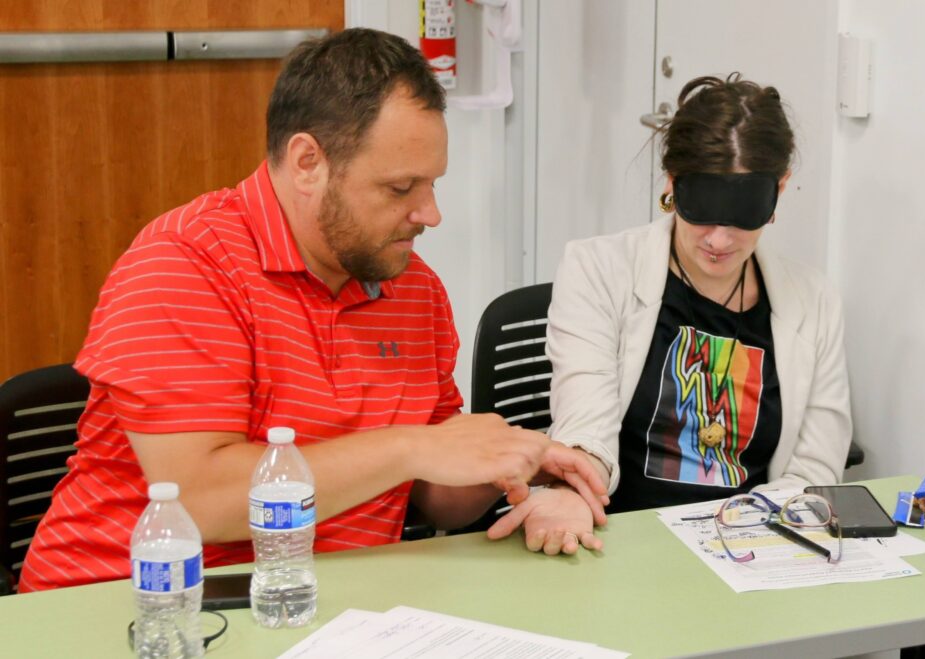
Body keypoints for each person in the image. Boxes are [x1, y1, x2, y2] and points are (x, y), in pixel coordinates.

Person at [19, 28, 606, 592]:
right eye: (401, 189)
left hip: (322, 605)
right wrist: (411, 446)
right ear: (307, 163)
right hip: (129, 602)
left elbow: (433, 494)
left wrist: (510, 462)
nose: (430, 214)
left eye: (433, 184)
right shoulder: (185, 264)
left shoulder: (412, 286)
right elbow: (200, 500)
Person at [488, 73, 852, 555]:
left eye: (743, 214)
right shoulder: (598, 270)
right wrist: (574, 493)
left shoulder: (814, 300)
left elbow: (814, 469)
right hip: (619, 540)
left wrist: (740, 531)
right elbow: (585, 427)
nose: (719, 241)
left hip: (751, 547)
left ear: (779, 192)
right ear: (672, 183)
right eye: (701, 209)